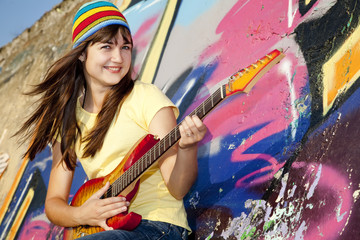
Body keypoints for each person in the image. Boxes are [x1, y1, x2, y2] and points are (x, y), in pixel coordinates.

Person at [16, 1, 207, 239]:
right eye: (107, 47)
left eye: (125, 47)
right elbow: (54, 204)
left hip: (158, 228)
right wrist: (83, 215)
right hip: (105, 231)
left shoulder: (146, 97)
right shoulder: (68, 122)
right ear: (82, 53)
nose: (118, 57)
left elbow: (178, 188)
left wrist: (187, 148)